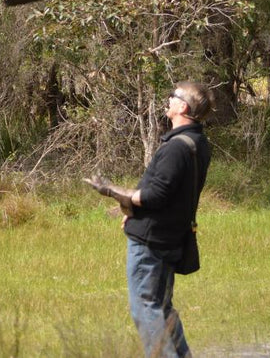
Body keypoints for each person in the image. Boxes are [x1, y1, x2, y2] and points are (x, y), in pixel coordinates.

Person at [85, 81, 213, 358]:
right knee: (161, 307)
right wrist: (130, 210)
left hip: (152, 242)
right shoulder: (198, 143)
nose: (168, 100)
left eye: (173, 97)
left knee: (146, 308)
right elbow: (171, 195)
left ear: (183, 107)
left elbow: (155, 195)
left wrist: (113, 191)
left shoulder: (176, 147)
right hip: (170, 236)